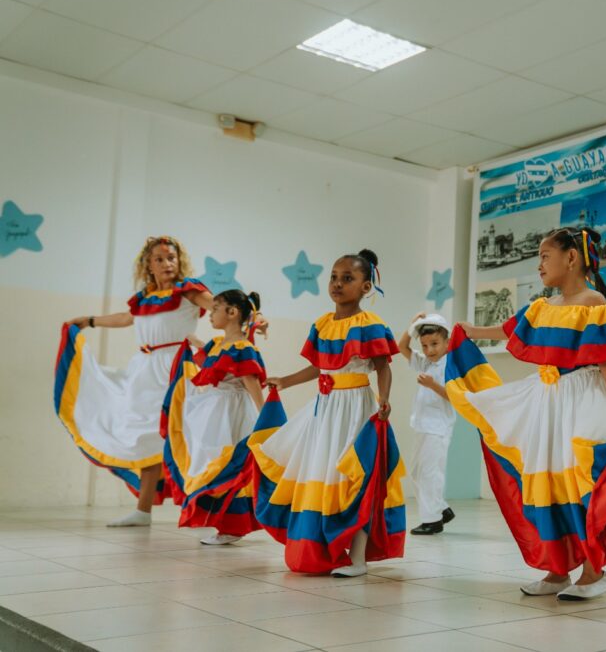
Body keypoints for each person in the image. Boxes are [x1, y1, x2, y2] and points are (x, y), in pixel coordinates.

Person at [447, 227, 606, 601]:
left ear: (572, 258)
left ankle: (593, 571)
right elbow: (509, 329)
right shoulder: (542, 307)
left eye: (544, 256)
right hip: (548, 402)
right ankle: (558, 569)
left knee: (581, 482)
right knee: (548, 483)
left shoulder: (595, 304)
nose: (538, 264)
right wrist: (469, 331)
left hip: (582, 401)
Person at [248, 250, 404, 576]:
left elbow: (382, 367)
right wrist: (285, 382)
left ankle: (358, 558)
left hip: (355, 407)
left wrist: (384, 398)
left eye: (348, 278)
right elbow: (318, 367)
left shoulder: (371, 324)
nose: (337, 283)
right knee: (321, 471)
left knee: (353, 476)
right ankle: (323, 544)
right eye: (334, 276)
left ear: (365, 287)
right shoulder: (322, 324)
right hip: (325, 409)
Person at [57, 237, 222, 527]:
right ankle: (143, 511)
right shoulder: (144, 298)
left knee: (193, 437)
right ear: (148, 265)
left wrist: (250, 316)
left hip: (177, 370)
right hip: (145, 373)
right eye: (159, 259)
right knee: (147, 437)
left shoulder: (187, 292)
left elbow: (219, 305)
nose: (167, 263)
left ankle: (214, 510)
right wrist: (91, 320)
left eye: (171, 257)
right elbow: (125, 318)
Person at [162, 289, 265, 545]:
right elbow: (210, 356)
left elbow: (250, 381)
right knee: (215, 462)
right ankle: (222, 522)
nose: (211, 315)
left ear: (232, 313)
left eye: (215, 309)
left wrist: (266, 415)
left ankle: (231, 526)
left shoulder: (242, 347)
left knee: (229, 465)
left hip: (232, 411)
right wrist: (193, 342)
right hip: (217, 410)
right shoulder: (221, 345)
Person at [398, 313, 457, 535]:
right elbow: (402, 346)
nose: (430, 350)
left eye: (434, 344)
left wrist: (432, 385)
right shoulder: (425, 361)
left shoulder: (450, 364)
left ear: (446, 342)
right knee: (415, 471)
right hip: (423, 425)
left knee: (430, 473)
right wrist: (413, 324)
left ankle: (433, 520)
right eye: (424, 345)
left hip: (438, 427)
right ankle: (441, 509)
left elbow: (454, 397)